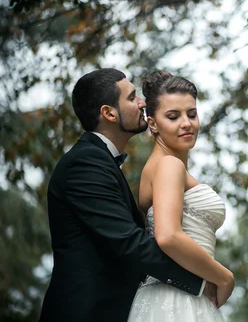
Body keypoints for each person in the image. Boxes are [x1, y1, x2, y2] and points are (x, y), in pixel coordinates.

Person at [40, 68, 213, 322]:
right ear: (109, 113)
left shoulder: (101, 161)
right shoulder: (85, 163)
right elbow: (129, 242)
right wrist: (203, 280)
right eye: (132, 98)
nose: (142, 102)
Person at [127, 71, 234, 321]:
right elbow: (168, 236)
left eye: (192, 114)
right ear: (152, 123)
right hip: (178, 300)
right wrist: (224, 277)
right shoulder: (169, 166)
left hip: (173, 294)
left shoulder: (160, 167)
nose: (186, 123)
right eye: (173, 116)